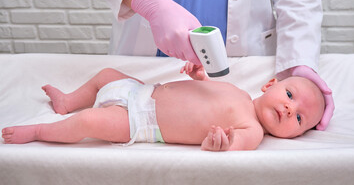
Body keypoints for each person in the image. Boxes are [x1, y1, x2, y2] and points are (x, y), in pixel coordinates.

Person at [87, 0, 334, 130]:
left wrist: (300, 60)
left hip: (241, 67)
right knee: (118, 112)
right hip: (147, 47)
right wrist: (149, 3)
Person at [2, 65, 325, 151]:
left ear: (295, 134)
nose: (288, 108)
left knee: (89, 122)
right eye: (290, 95)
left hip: (139, 120)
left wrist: (220, 144)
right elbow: (203, 90)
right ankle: (68, 101)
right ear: (269, 85)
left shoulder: (252, 131)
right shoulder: (236, 90)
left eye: (299, 118)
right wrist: (198, 76)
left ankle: (41, 130)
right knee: (106, 75)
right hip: (141, 90)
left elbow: (233, 146)